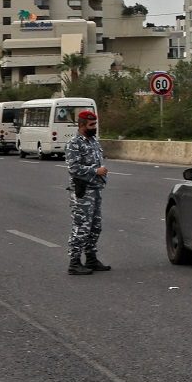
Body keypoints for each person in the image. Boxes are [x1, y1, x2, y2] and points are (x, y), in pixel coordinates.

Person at [65, 109, 109, 275]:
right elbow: (73, 168)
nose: (94, 127)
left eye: (95, 124)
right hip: (82, 191)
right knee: (81, 227)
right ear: (82, 125)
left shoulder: (93, 142)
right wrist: (95, 171)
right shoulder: (74, 144)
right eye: (91, 125)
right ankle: (74, 262)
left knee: (95, 227)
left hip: (96, 189)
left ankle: (91, 258)